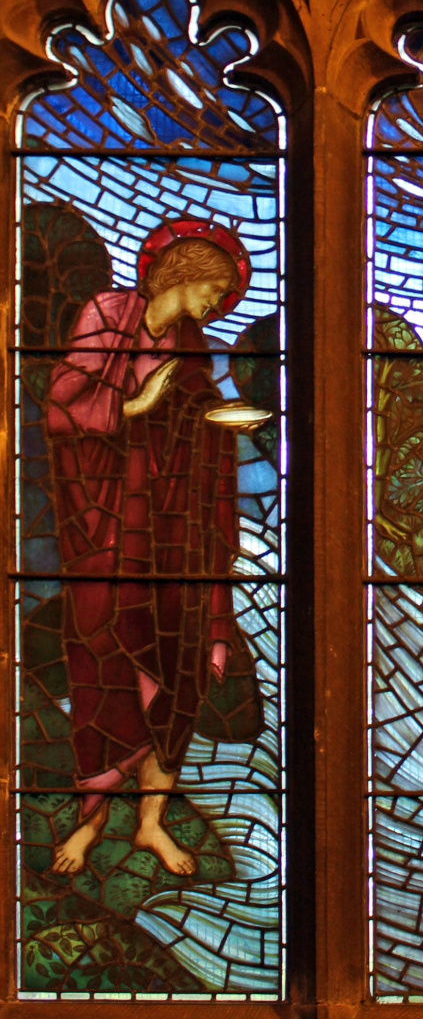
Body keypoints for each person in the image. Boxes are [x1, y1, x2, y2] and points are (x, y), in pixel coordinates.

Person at [45, 219, 259, 878]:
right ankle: (90, 821)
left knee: (179, 665)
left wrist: (217, 423)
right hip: (105, 522)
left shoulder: (190, 345)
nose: (217, 304)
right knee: (103, 662)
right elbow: (61, 406)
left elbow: (194, 414)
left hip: (173, 530)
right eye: (215, 290)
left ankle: (150, 822)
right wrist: (137, 406)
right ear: (186, 274)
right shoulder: (108, 314)